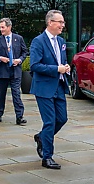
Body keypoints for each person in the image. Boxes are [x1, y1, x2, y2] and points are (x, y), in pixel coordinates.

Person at [30, 9, 70, 170]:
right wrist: (56, 69)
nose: (62, 25)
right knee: (49, 122)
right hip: (44, 88)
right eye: (60, 22)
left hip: (59, 86)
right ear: (50, 23)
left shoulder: (61, 41)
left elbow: (62, 61)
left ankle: (41, 137)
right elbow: (35, 65)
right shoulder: (38, 41)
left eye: (63, 22)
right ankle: (47, 157)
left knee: (62, 119)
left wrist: (65, 68)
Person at [0, 18, 28, 124]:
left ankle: (19, 116)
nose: (1, 29)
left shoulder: (18, 39)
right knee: (0, 94)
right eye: (0, 27)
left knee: (16, 94)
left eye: (3, 27)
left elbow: (24, 52)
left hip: (15, 71)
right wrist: (1, 58)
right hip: (2, 71)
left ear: (9, 27)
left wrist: (19, 60)